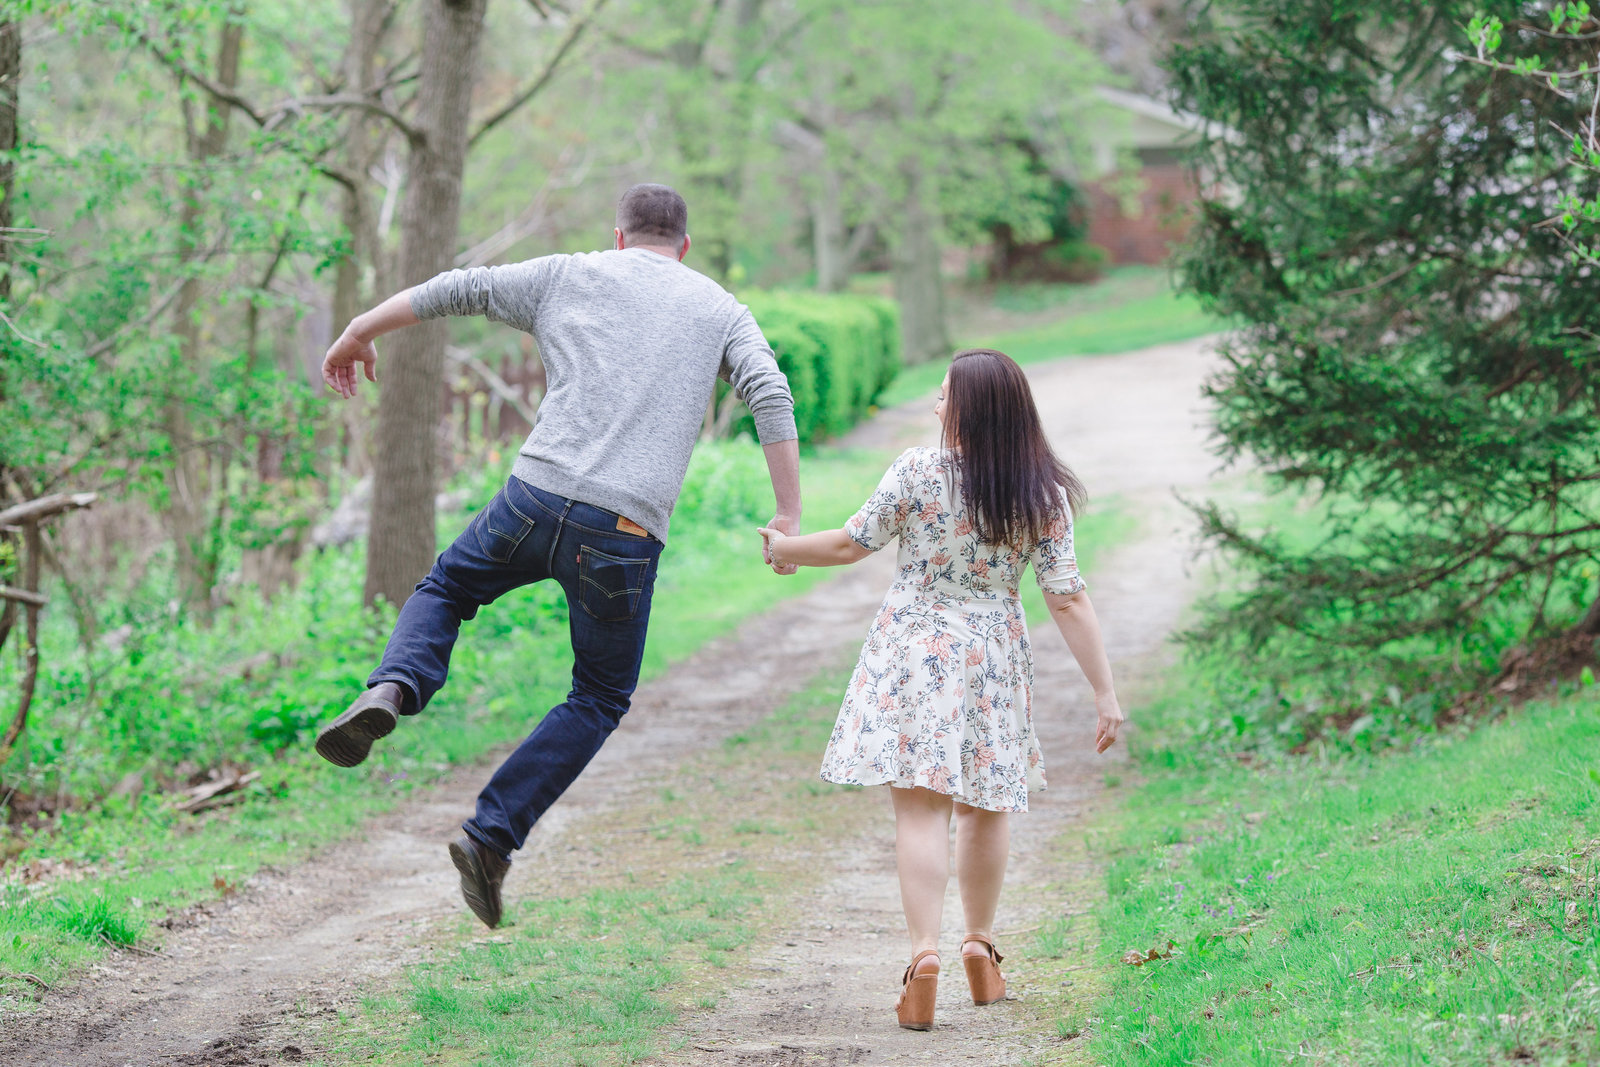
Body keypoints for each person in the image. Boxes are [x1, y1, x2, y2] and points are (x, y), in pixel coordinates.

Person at [315, 184, 801, 929]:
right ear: (685, 245)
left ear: (618, 236)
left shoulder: (568, 273)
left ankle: (393, 687)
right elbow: (769, 391)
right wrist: (788, 513)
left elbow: (458, 289)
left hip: (534, 496)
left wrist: (359, 327)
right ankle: (490, 834)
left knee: (446, 586)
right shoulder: (719, 308)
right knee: (599, 695)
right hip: (624, 530)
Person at [757, 347, 1123, 1031]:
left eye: (944, 393)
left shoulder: (918, 471)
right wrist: (1105, 691)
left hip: (915, 647)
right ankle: (979, 946)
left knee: (921, 811)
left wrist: (782, 548)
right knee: (986, 806)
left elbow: (848, 545)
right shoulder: (1040, 490)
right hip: (993, 655)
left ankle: (922, 956)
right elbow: (1067, 597)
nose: (935, 402)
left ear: (968, 408)